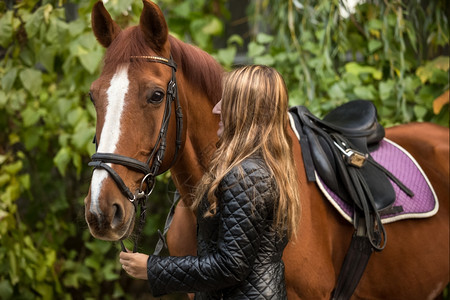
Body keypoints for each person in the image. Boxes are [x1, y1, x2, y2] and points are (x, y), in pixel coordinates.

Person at [119, 65, 301, 299]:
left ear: (247, 110)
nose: (216, 108)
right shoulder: (260, 168)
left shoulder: (247, 176)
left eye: (227, 100)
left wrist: (152, 269)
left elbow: (230, 266)